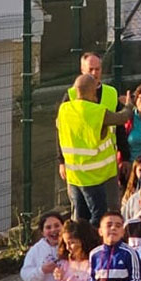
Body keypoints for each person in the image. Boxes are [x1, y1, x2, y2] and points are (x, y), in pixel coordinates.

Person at [57, 74, 132, 225]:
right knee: (98, 217)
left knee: (80, 218)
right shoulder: (96, 112)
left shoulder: (64, 109)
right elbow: (122, 118)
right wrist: (129, 105)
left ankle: (81, 244)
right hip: (95, 176)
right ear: (91, 92)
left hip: (75, 175)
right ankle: (93, 244)